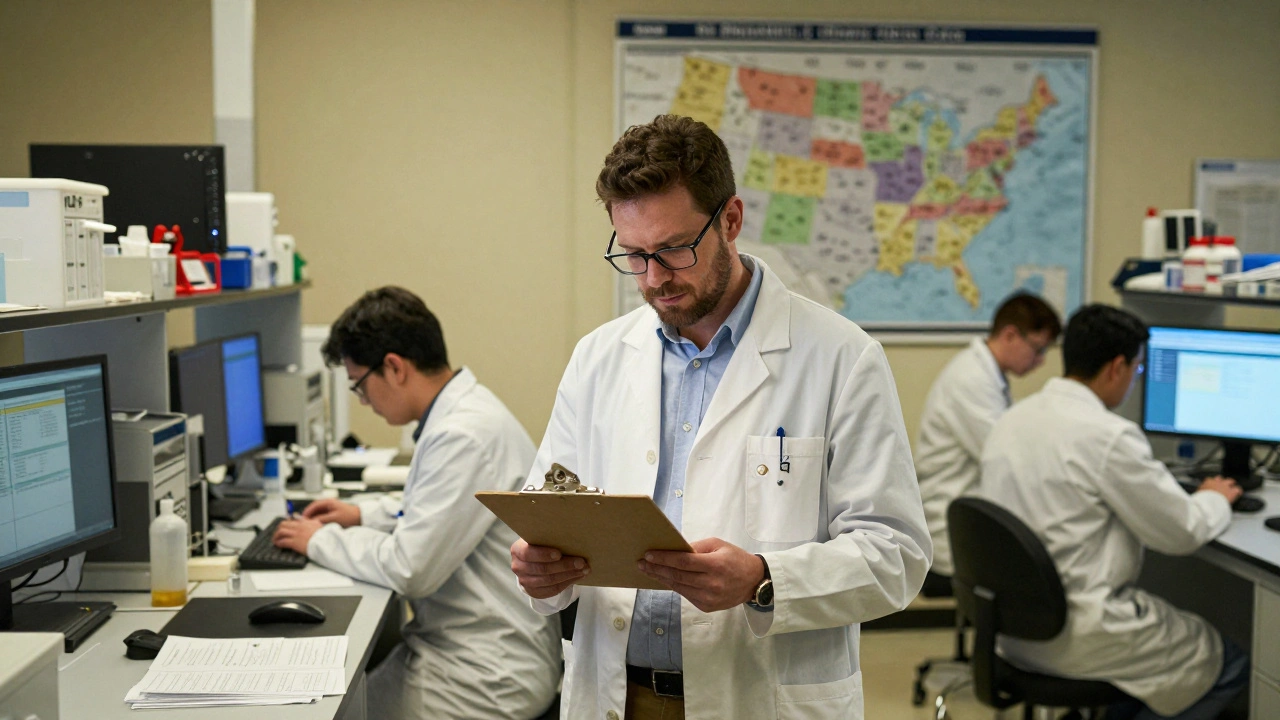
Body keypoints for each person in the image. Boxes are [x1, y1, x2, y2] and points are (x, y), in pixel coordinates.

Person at [507, 114, 931, 720]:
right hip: (614, 695)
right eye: (634, 255)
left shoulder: (842, 357)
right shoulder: (598, 357)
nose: (654, 279)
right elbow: (547, 505)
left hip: (758, 698)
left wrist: (764, 579)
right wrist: (540, 567)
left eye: (674, 249)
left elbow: (898, 555)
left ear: (730, 220)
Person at [271, 287, 561, 720]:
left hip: (484, 672)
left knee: (334, 710)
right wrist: (362, 513)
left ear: (393, 367)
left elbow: (410, 569)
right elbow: (438, 506)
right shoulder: (464, 411)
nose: (363, 402)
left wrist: (319, 541)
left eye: (360, 387)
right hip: (469, 647)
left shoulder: (462, 434)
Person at [980, 304, 1248, 720]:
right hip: (1079, 632)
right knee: (1226, 661)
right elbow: (1183, 531)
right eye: (1138, 370)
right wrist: (1215, 496)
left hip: (1014, 630)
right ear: (1117, 367)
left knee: (1162, 666)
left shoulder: (1014, 419)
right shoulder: (1107, 435)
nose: (1134, 379)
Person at [914, 292, 1061, 596]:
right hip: (950, 531)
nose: (1041, 360)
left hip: (966, 513)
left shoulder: (987, 376)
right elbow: (1004, 457)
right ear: (1010, 335)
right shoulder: (971, 381)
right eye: (1038, 349)